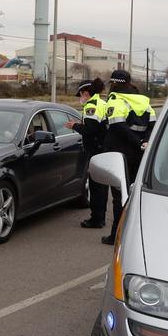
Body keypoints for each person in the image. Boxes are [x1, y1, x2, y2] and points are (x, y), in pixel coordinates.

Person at [101, 69, 156, 246]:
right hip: (139, 155)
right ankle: (135, 235)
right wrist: (144, 142)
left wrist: (136, 143)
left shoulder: (116, 99)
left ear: (115, 83)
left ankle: (116, 235)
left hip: (120, 154)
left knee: (119, 196)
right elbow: (153, 124)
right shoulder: (143, 100)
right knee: (136, 194)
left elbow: (118, 127)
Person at [66, 78, 108, 228]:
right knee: (102, 186)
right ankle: (100, 217)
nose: (80, 98)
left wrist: (75, 125)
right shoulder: (102, 103)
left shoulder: (92, 106)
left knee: (96, 187)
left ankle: (96, 219)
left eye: (80, 95)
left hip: (96, 150)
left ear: (86, 93)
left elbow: (90, 130)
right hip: (103, 148)